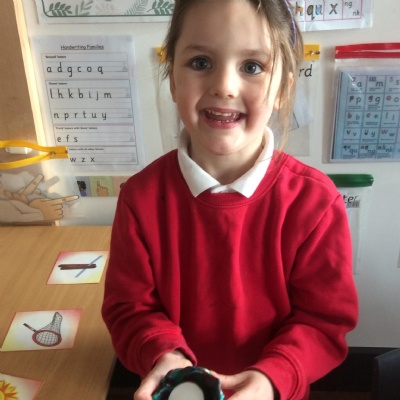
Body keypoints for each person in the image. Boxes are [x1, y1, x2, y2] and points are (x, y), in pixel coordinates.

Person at [102, 0, 358, 399]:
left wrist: (272, 377)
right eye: (201, 62)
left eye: (252, 66)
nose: (224, 86)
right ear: (172, 79)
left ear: (283, 89)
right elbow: (130, 309)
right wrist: (164, 354)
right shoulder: (140, 199)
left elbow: (323, 322)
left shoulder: (316, 203)